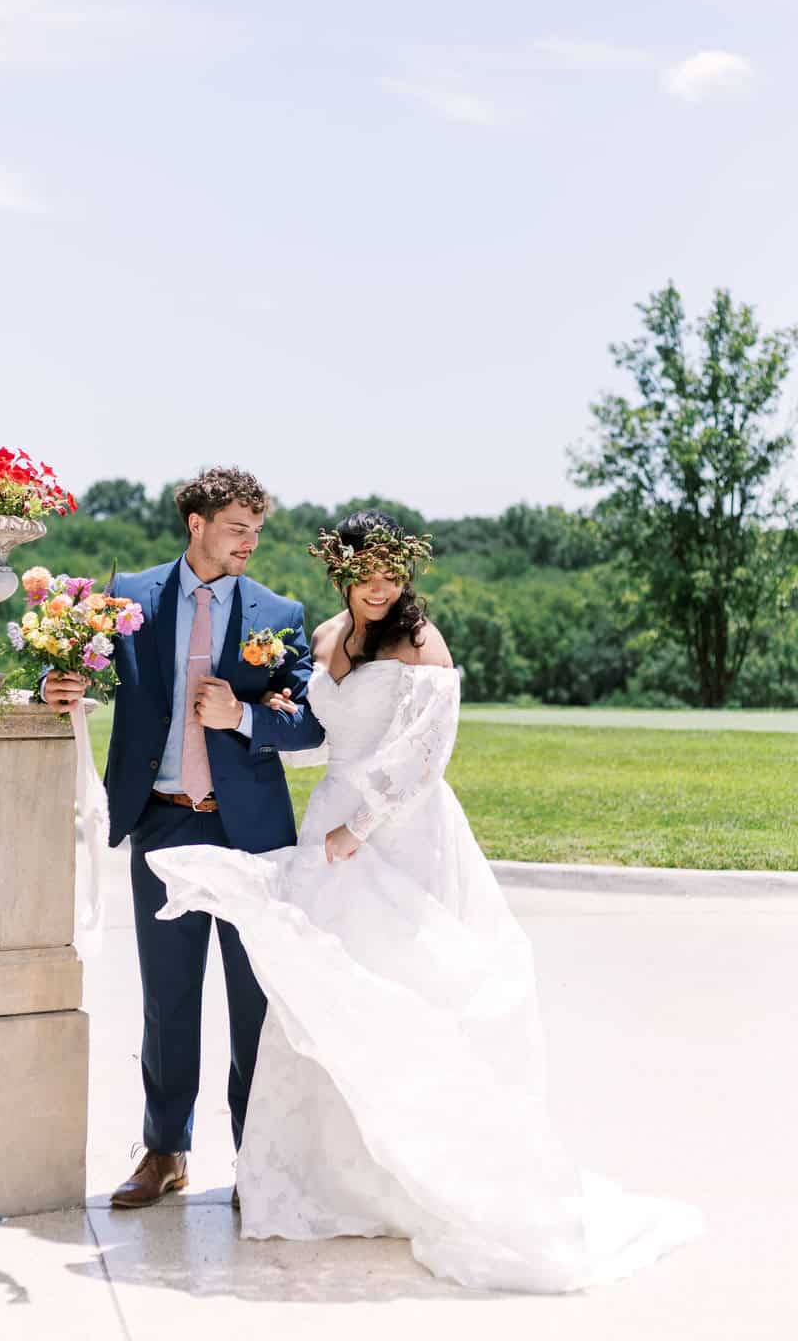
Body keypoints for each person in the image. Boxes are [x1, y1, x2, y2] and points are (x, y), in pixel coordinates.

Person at [146, 509, 703, 1293]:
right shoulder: (331, 635)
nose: (380, 587)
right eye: (366, 573)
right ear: (341, 572)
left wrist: (361, 828)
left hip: (394, 836)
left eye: (391, 573)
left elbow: (424, 755)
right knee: (324, 999)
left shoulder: (421, 641)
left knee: (406, 989)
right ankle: (334, 1180)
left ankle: (424, 1177)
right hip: (328, 825)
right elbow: (311, 726)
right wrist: (257, 729)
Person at [44, 466, 324, 1209]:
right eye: (237, 529)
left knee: (252, 1004)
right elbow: (88, 673)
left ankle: (255, 1161)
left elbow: (309, 721)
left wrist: (245, 718)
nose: (250, 544)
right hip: (162, 819)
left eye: (257, 531)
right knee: (169, 1000)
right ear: (196, 524)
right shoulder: (130, 595)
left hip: (251, 835)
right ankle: (165, 1152)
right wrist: (61, 686)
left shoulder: (279, 611)